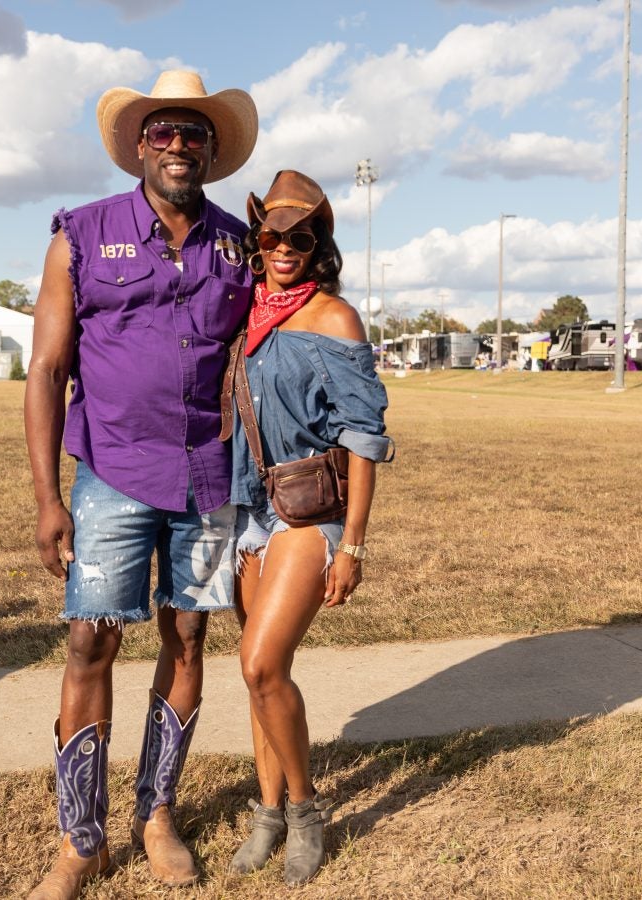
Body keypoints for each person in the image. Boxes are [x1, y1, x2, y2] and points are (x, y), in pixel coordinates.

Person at [24, 71, 257, 899]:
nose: (178, 145)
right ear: (137, 144)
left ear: (213, 149)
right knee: (91, 639)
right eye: (163, 131)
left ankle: (157, 814)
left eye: (194, 134)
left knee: (188, 640)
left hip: (207, 476)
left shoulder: (239, 244)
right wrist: (50, 498)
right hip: (111, 475)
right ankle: (78, 840)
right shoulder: (80, 234)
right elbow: (48, 368)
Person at [222, 171, 392, 885]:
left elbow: (365, 435)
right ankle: (265, 813)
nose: (285, 247)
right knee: (262, 677)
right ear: (256, 244)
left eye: (300, 236)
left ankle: (305, 811)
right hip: (250, 509)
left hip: (310, 509)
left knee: (261, 664)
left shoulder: (333, 317)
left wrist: (352, 542)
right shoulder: (248, 314)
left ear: (319, 243)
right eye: (272, 235)